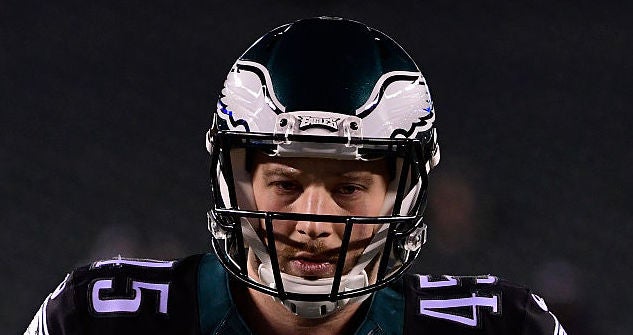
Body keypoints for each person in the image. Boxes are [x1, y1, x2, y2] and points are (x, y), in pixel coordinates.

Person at [26, 17, 566, 335]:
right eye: (285, 183)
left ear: (404, 193)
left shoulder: (504, 327)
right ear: (236, 180)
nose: (313, 219)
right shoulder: (100, 321)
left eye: (349, 187)